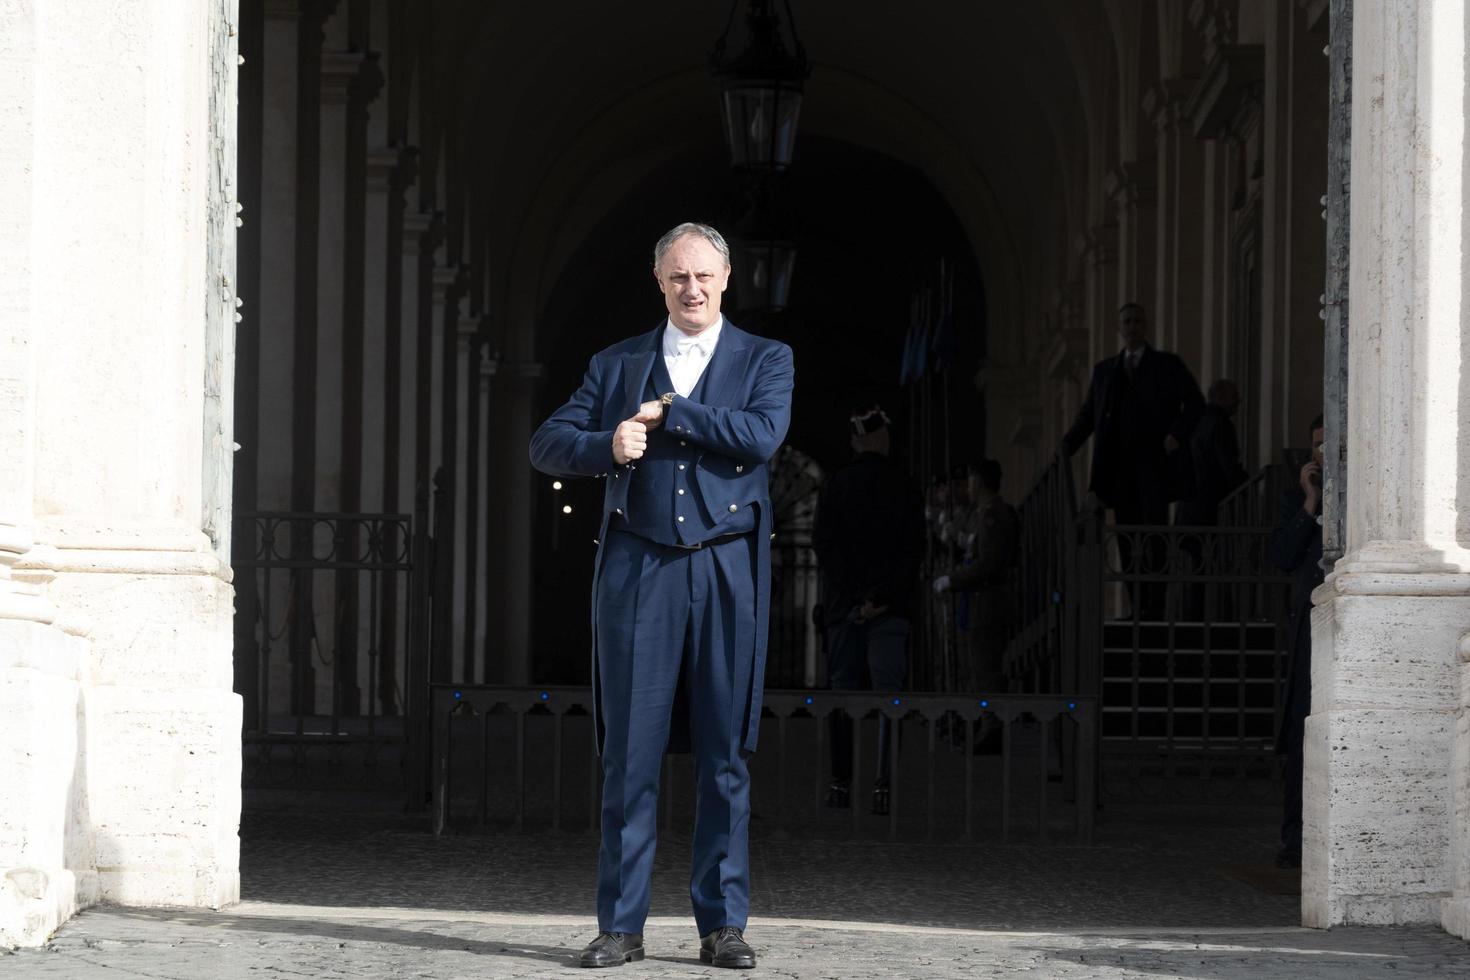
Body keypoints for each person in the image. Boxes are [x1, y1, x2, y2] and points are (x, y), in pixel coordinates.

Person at [529, 222, 793, 969]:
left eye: (705, 275)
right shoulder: (616, 364)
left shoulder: (766, 359)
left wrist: (676, 411)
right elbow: (545, 441)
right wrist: (604, 445)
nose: (693, 288)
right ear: (660, 281)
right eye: (679, 276)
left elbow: (763, 433)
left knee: (725, 754)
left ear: (727, 277)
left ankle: (722, 926)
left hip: (725, 566)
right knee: (629, 755)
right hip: (639, 570)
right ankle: (620, 925)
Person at [812, 406, 925, 814]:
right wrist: (880, 598)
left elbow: (826, 548)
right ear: (883, 439)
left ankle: (840, 782)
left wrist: (854, 599)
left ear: (857, 442)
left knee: (842, 697)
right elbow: (912, 552)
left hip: (844, 608)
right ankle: (883, 786)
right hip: (889, 608)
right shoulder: (906, 487)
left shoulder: (836, 485)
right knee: (889, 697)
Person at [1062, 302, 1203, 617]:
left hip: (1156, 469)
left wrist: (1176, 435)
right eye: (1127, 321)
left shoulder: (1168, 365)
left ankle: (1155, 609)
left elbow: (1195, 402)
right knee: (1126, 541)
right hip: (1119, 474)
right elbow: (1088, 418)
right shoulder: (1105, 371)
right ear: (1120, 328)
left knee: (1155, 539)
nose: (1133, 326)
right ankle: (1138, 606)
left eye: (1138, 320)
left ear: (1146, 326)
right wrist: (1065, 447)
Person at [1269, 415, 1325, 870]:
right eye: (1315, 446)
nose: (1320, 453)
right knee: (1301, 722)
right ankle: (1295, 837)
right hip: (1308, 623)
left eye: (1328, 445)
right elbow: (1282, 557)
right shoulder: (1297, 498)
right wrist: (1311, 503)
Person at [933, 459, 1019, 693]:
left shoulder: (992, 514)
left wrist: (953, 579)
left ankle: (991, 724)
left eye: (970, 479)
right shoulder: (984, 514)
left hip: (987, 603)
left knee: (985, 671)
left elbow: (987, 562)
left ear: (978, 481)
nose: (967, 486)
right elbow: (977, 548)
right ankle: (983, 722)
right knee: (976, 668)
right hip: (978, 603)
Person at [1177, 378, 1249, 526]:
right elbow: (1228, 466)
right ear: (1221, 398)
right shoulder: (1221, 423)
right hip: (1209, 504)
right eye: (1234, 396)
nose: (1238, 401)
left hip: (1189, 504)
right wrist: (1245, 484)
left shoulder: (1197, 421)